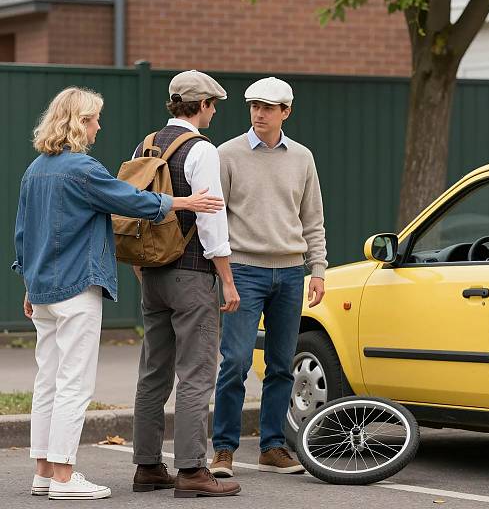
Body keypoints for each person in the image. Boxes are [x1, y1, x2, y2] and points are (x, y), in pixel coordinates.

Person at [12, 86, 223, 501]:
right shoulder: (82, 169)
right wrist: (185, 202)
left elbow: (23, 234)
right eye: (93, 120)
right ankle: (64, 476)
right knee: (74, 383)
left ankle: (43, 470)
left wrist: (27, 285)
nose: (98, 126)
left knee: (48, 381)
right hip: (76, 288)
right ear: (78, 123)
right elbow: (129, 200)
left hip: (41, 290)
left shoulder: (35, 169)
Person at [210, 77, 328, 477]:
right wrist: (223, 272)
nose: (258, 113)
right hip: (245, 269)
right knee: (236, 362)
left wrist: (318, 269)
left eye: (267, 107)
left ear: (286, 112)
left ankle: (272, 446)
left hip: (293, 272)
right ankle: (223, 449)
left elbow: (312, 218)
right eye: (253, 106)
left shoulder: (303, 158)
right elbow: (213, 218)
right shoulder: (227, 154)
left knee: (281, 365)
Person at [131, 70, 241, 498]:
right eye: (213, 104)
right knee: (196, 372)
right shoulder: (202, 149)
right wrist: (227, 281)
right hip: (191, 272)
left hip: (151, 271)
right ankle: (193, 471)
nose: (214, 111)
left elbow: (135, 205)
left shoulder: (145, 145)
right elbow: (212, 219)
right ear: (202, 105)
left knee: (153, 372)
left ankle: (147, 466)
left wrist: (141, 266)